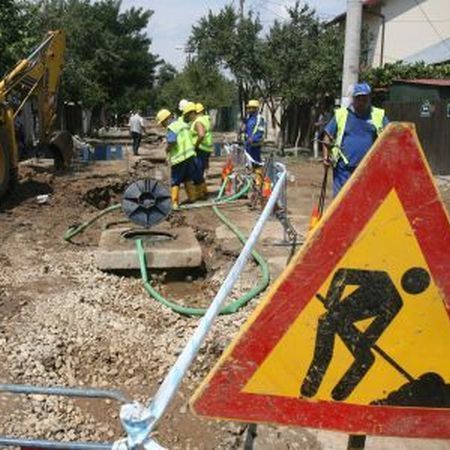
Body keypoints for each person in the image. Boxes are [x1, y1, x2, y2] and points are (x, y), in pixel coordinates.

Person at [301, 267, 430, 401]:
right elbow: (343, 274)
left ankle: (338, 395)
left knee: (366, 359)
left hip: (343, 324)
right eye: (415, 280)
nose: (414, 284)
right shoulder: (381, 278)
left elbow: (374, 331)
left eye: (418, 284)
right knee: (324, 355)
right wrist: (331, 300)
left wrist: (363, 343)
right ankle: (308, 390)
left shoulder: (396, 302)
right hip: (332, 318)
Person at [323, 83, 389, 196]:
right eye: (359, 98)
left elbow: (390, 134)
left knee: (363, 200)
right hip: (343, 168)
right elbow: (327, 136)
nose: (361, 101)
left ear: (369, 98)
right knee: (341, 199)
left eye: (365, 98)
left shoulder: (378, 115)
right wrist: (325, 157)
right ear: (353, 99)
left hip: (369, 168)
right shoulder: (342, 114)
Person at [156, 108, 198, 209]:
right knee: (188, 177)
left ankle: (174, 203)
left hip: (179, 158)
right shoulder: (183, 124)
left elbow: (172, 141)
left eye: (162, 122)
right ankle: (193, 198)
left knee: (176, 180)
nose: (162, 125)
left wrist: (167, 149)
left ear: (166, 119)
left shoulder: (172, 127)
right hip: (190, 155)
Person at [188, 102, 213, 198]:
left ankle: (200, 193)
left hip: (200, 148)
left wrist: (195, 145)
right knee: (201, 170)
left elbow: (201, 134)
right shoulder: (206, 119)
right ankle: (203, 191)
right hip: (207, 148)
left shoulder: (198, 121)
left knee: (197, 170)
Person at [243, 99, 266, 187]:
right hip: (247, 145)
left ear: (255, 108)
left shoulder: (259, 119)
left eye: (250, 108)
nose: (248, 110)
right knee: (249, 164)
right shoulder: (249, 119)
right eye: (248, 108)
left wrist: (254, 139)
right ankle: (250, 182)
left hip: (255, 145)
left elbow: (260, 131)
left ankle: (259, 181)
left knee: (256, 162)